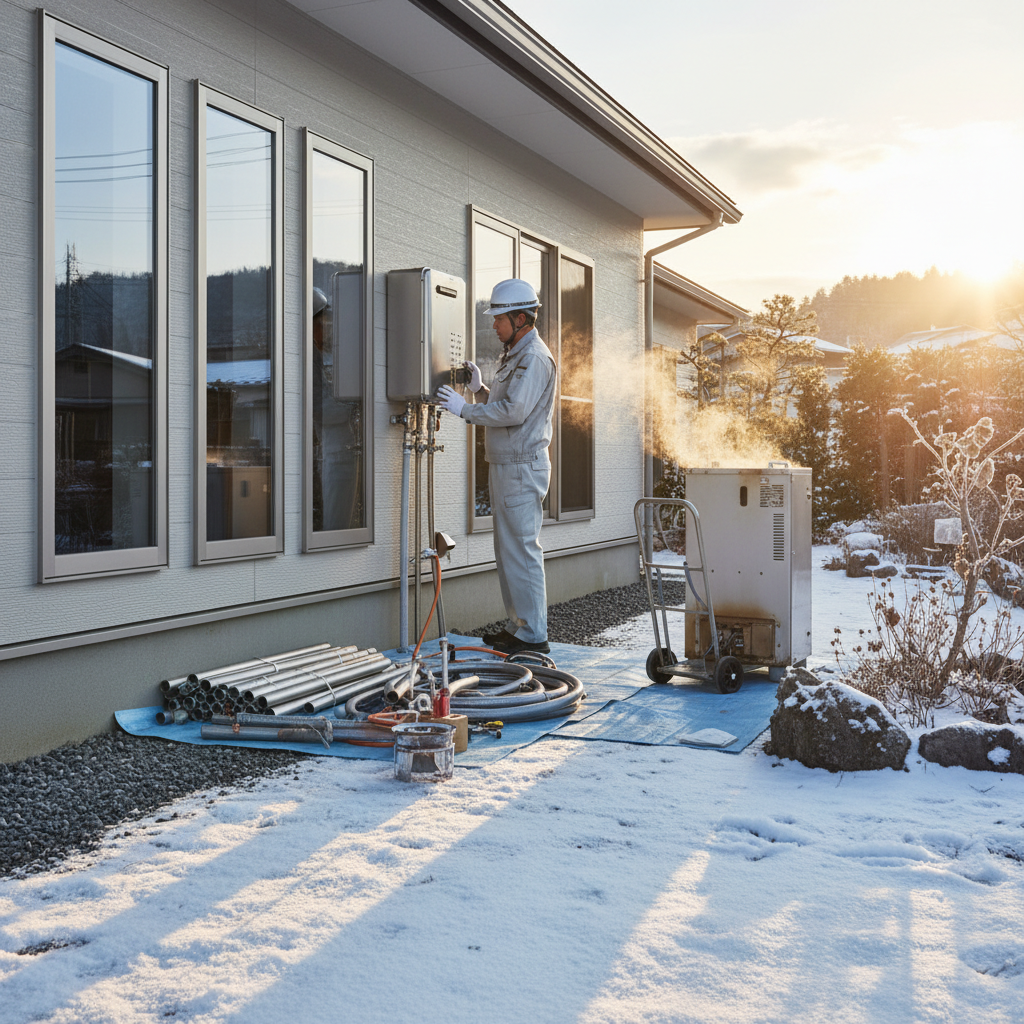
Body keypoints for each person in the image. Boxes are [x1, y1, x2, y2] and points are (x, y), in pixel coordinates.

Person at [436, 279, 556, 655]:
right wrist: (479, 389)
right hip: (507, 466)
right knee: (509, 553)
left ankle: (534, 635)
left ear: (521, 318)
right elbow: (505, 403)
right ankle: (519, 628)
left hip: (521, 467)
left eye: (500, 318)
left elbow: (515, 412)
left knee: (521, 550)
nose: (494, 325)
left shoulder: (534, 357)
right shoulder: (515, 355)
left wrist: (465, 411)